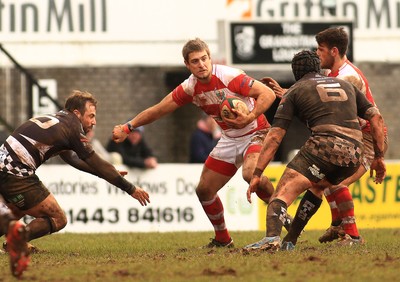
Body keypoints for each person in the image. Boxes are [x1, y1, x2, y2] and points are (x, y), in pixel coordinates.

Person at [112, 38, 279, 248]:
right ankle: (223, 240)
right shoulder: (190, 88)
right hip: (229, 138)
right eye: (195, 61)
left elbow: (268, 94)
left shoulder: (229, 76)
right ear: (187, 65)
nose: (201, 64)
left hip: (257, 131)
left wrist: (250, 116)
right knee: (204, 190)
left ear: (210, 58)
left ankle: (279, 211)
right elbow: (159, 109)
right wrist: (128, 127)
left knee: (249, 174)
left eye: (204, 59)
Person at [243, 50, 386, 252]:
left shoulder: (296, 89)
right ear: (318, 67)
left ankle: (271, 239)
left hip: (324, 148)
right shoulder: (345, 84)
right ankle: (290, 241)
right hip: (354, 152)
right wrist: (379, 157)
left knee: (283, 192)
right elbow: (376, 118)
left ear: (296, 72)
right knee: (318, 187)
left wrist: (257, 173)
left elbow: (275, 137)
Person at [0, 90, 150, 274]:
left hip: (4, 166)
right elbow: (94, 160)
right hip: (16, 173)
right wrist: (130, 188)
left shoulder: (58, 121)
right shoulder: (72, 128)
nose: (94, 122)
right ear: (77, 113)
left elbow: (72, 158)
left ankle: (14, 242)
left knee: (15, 210)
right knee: (58, 218)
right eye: (91, 116)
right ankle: (16, 244)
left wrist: (106, 172)